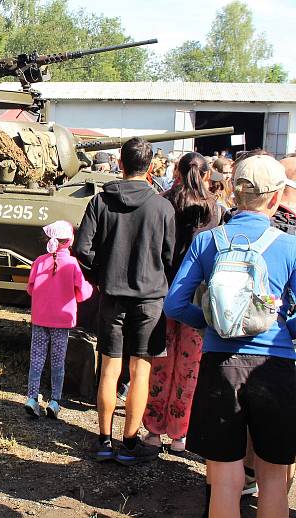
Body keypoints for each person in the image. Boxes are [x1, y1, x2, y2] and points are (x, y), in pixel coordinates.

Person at [164, 154, 296, 518]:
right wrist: (284, 328)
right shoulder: (289, 246)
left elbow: (174, 304)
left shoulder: (208, 242)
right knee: (272, 479)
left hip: (219, 366)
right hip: (275, 366)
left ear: (234, 194)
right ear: (276, 197)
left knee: (223, 480)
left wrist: (210, 323)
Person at [73, 137, 175, 465]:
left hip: (113, 296)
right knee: (140, 372)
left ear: (121, 162)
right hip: (150, 300)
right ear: (150, 167)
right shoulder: (162, 207)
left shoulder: (101, 202)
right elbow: (170, 255)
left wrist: (101, 277)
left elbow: (82, 249)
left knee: (109, 368)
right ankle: (130, 443)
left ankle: (104, 440)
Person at [141, 153, 222, 453]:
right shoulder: (213, 209)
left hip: (162, 292)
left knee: (160, 363)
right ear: (205, 174)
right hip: (197, 297)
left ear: (175, 170)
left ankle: (153, 431)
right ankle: (179, 433)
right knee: (190, 367)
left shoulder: (162, 201)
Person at [24, 220, 93, 419]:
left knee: (36, 359)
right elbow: (83, 291)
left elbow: (30, 288)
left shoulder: (39, 261)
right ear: (70, 241)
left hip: (40, 318)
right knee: (57, 361)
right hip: (62, 321)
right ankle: (55, 400)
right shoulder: (72, 264)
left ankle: (31, 398)